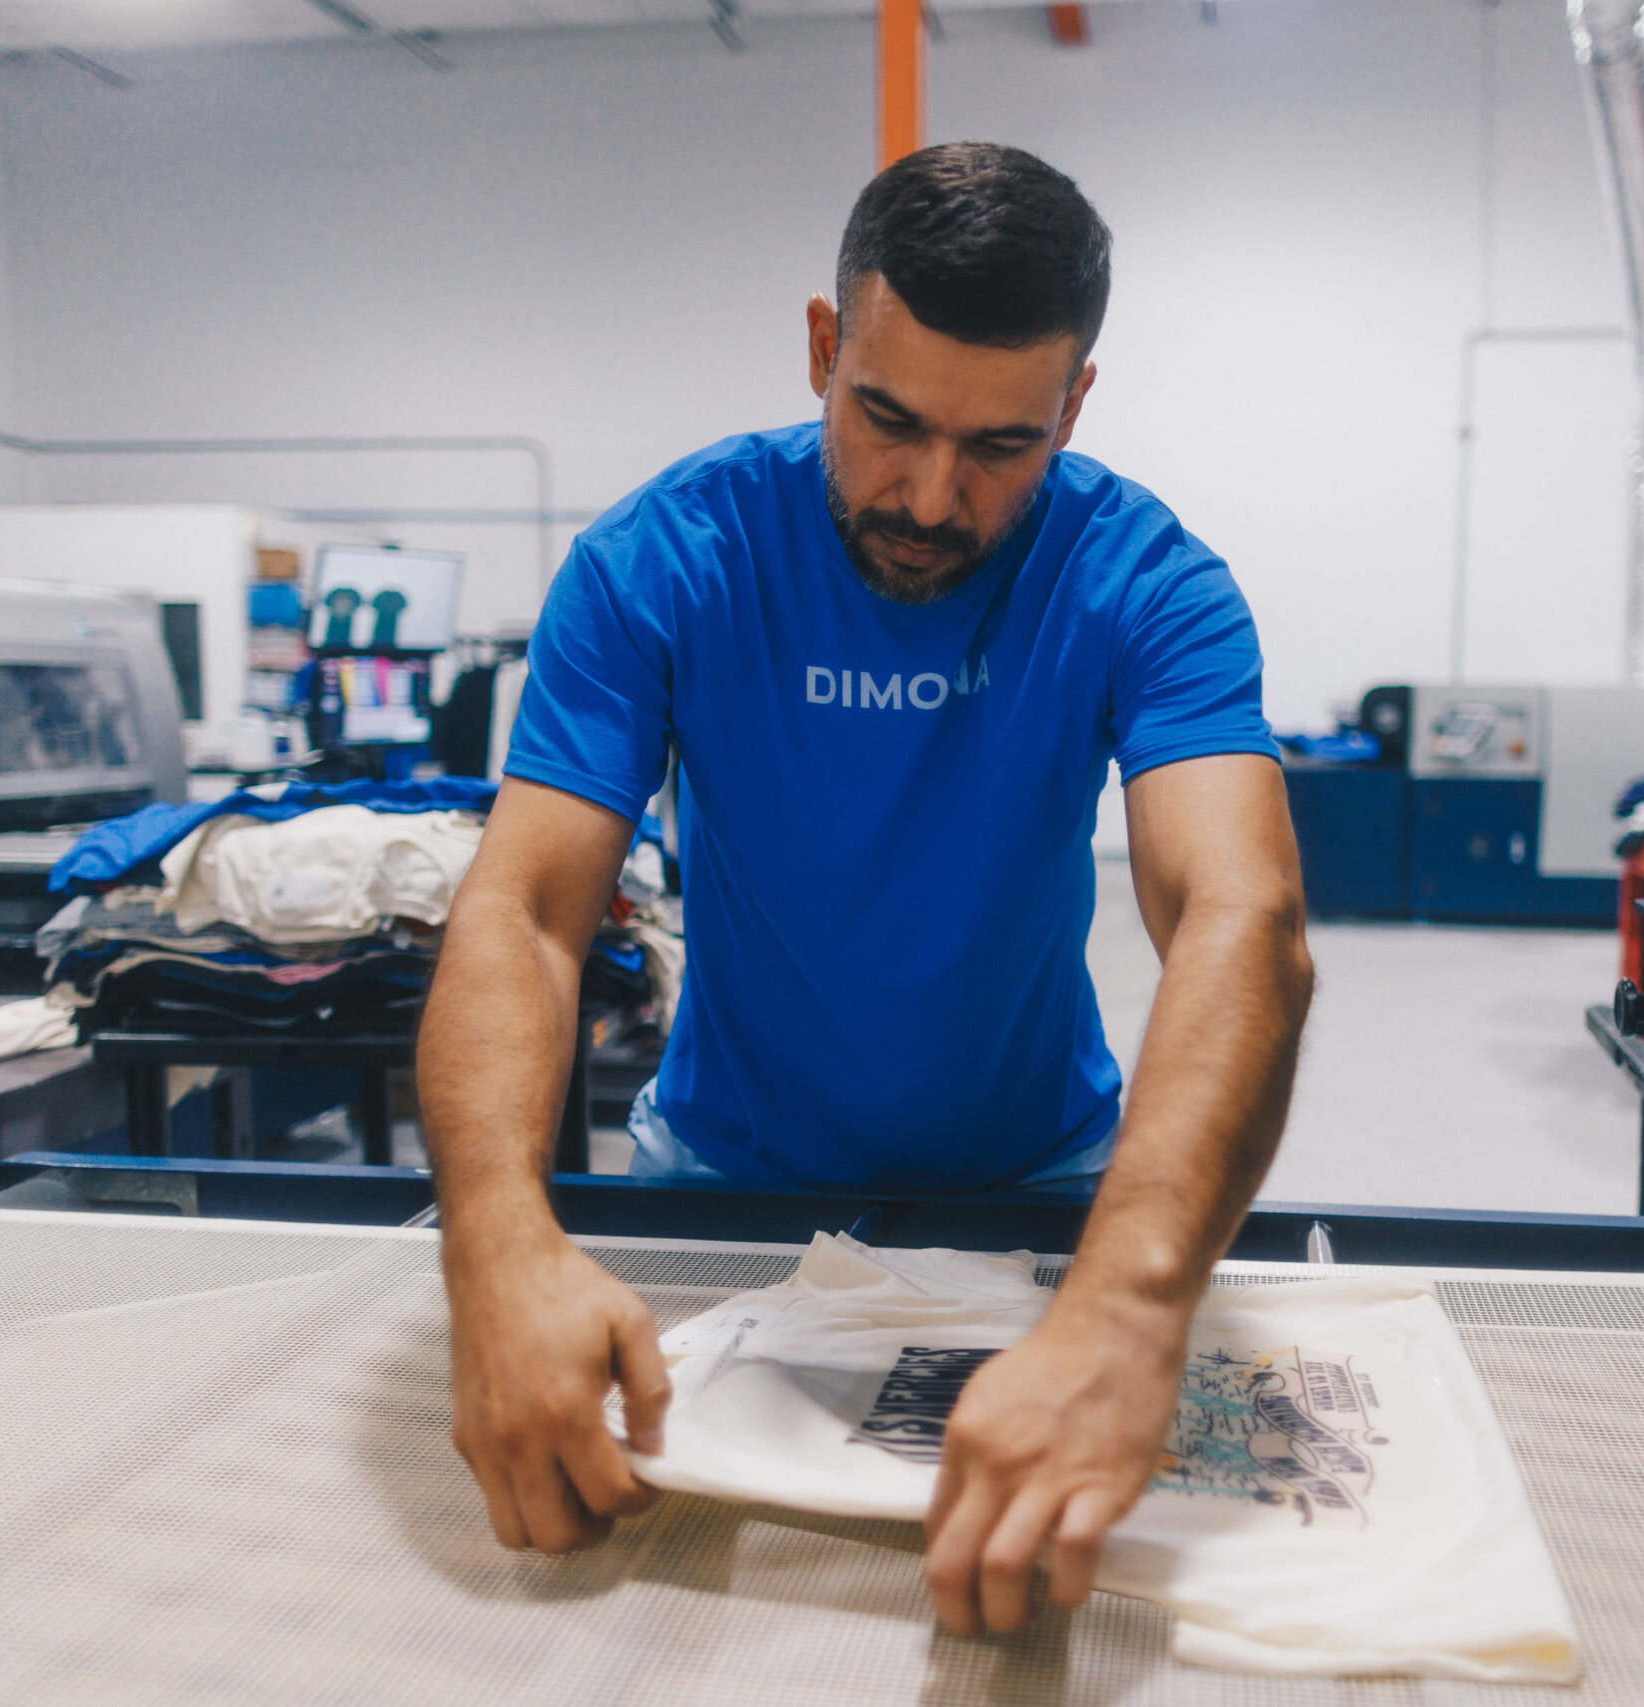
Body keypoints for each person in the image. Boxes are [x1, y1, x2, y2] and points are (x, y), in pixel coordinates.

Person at [416, 141, 1314, 1639]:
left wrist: (1134, 1302)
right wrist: (495, 1244)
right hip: (726, 1181)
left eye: (1002, 447)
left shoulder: (1144, 581)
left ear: (1076, 405)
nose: (931, 494)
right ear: (824, 347)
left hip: (1041, 1182)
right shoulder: (669, 557)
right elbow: (521, 911)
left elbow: (1243, 920)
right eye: (886, 419)